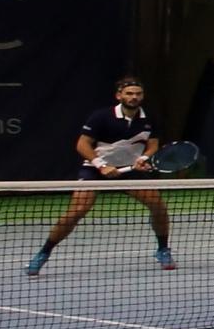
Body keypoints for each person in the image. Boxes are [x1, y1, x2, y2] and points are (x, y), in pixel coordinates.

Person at [27, 76, 175, 275]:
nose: (134, 97)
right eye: (129, 93)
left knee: (158, 206)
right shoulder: (101, 116)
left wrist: (144, 158)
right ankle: (44, 253)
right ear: (119, 95)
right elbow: (82, 145)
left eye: (138, 94)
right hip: (95, 169)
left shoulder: (150, 118)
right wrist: (102, 165)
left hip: (129, 171)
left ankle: (163, 249)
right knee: (77, 210)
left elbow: (153, 144)